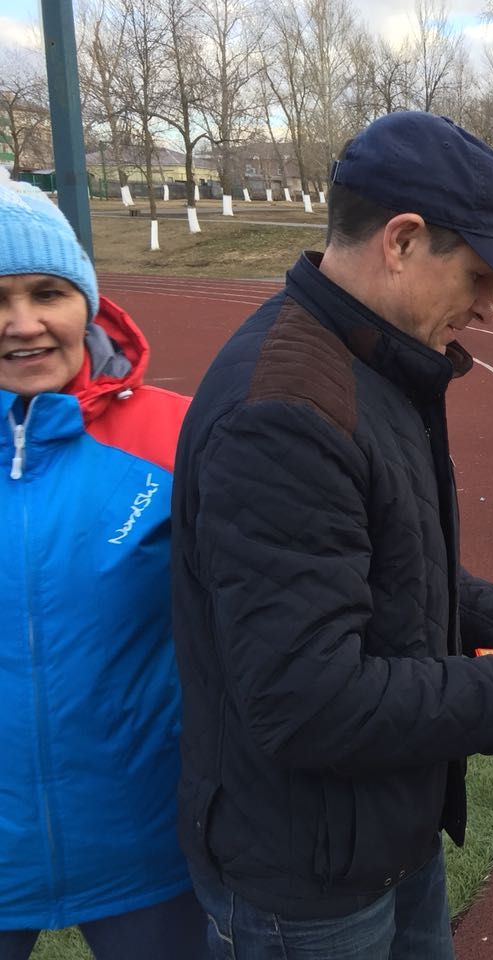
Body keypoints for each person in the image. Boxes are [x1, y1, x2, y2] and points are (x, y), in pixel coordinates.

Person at [169, 112, 493, 959]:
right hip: (307, 884)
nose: (490, 307)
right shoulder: (285, 414)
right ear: (401, 240)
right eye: (479, 274)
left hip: (383, 833)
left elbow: (385, 562)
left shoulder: (371, 361)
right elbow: (306, 700)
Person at [0, 176, 204, 957]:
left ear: (87, 301)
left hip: (146, 843)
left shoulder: (175, 435)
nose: (24, 325)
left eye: (47, 292)